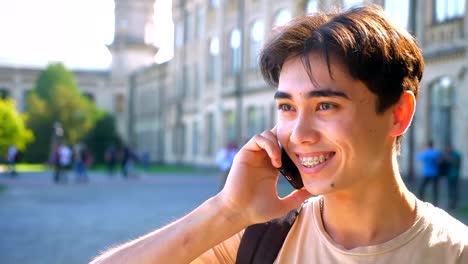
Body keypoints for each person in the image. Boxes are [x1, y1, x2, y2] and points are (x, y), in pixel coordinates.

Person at [91, 5, 468, 263]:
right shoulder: (260, 241)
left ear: (398, 114)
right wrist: (228, 210)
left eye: (325, 106)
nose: (298, 134)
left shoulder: (454, 253)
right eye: (287, 107)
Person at [417, 141, 440, 205]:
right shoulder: (436, 153)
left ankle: (422, 200)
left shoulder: (426, 153)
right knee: (435, 189)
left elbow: (418, 158)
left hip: (427, 173)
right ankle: (435, 202)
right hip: (435, 173)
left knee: (421, 188)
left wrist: (421, 150)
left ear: (428, 146)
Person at [442, 144, 462, 209]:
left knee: (454, 190)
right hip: (449, 174)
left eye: (448, 148)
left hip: (454, 174)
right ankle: (451, 203)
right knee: (450, 190)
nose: (447, 150)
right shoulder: (450, 154)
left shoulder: (456, 154)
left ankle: (454, 204)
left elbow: (456, 162)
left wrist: (447, 158)